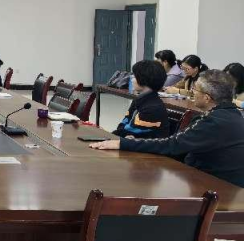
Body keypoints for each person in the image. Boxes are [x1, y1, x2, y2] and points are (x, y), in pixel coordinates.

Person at [92, 70, 244, 188]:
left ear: (207, 97)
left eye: (195, 89)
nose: (192, 92)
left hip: (216, 189)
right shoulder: (231, 115)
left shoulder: (214, 122)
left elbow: (173, 144)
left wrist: (124, 143)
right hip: (204, 181)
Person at [113, 60, 170, 139]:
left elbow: (131, 132)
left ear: (143, 80)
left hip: (146, 146)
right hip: (132, 142)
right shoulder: (139, 99)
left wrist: (111, 135)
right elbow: (125, 122)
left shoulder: (152, 108)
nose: (132, 79)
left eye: (135, 76)